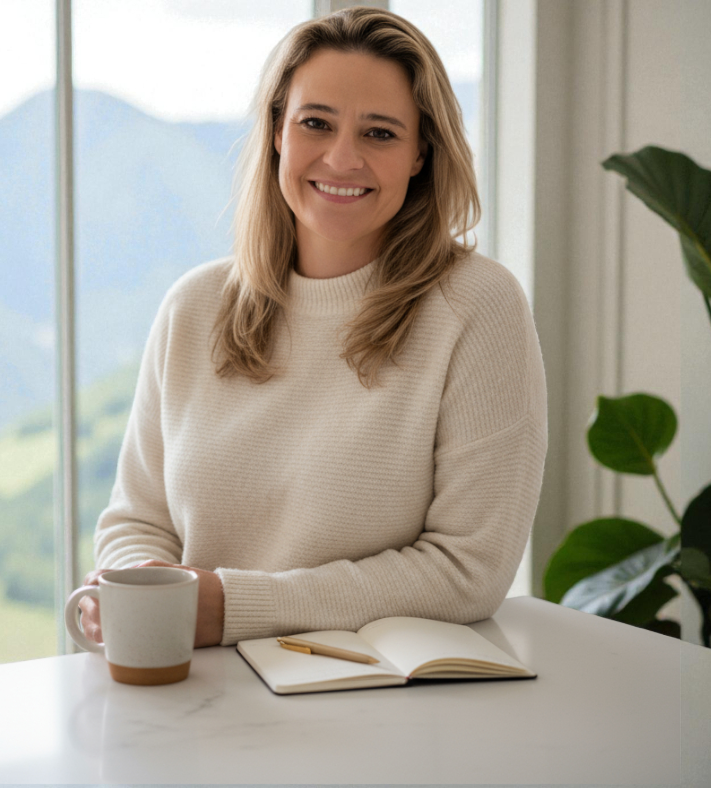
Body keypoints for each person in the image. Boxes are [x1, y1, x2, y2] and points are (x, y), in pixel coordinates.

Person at [79, 6, 547, 649]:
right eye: (315, 124)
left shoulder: (478, 308)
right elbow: (136, 519)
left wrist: (232, 607)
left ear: (421, 154)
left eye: (380, 133)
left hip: (379, 709)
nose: (342, 157)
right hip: (192, 692)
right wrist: (148, 585)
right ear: (276, 132)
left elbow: (468, 571)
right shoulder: (193, 307)